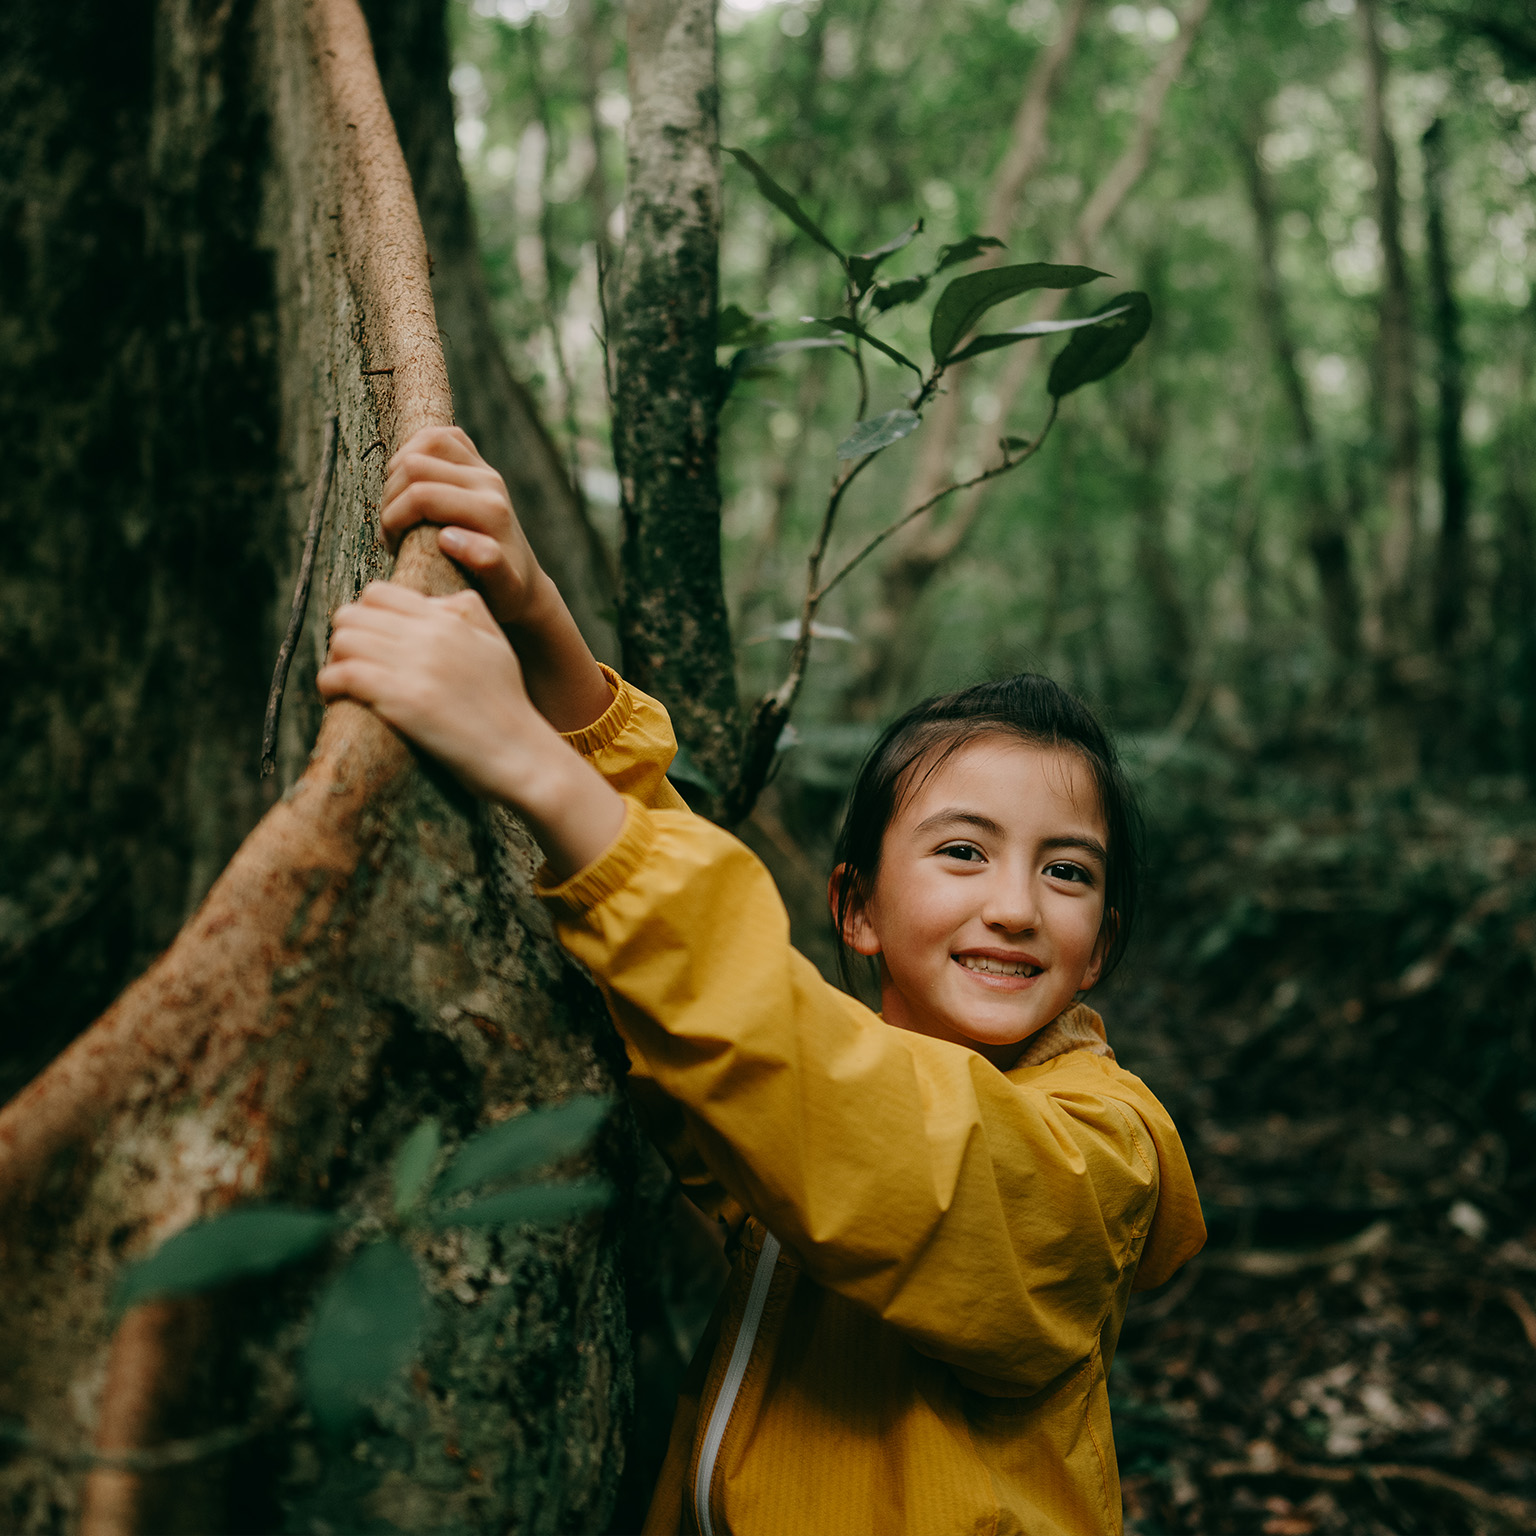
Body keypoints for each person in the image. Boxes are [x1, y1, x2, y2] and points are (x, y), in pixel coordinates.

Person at [317, 425, 1206, 1536]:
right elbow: (745, 1044)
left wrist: (531, 766)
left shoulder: (1101, 1155)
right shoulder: (807, 1104)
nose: (1016, 905)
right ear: (858, 910)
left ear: (1102, 944)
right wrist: (541, 624)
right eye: (964, 851)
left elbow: (889, 1144)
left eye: (1065, 872)